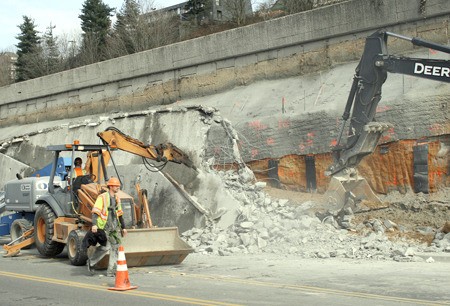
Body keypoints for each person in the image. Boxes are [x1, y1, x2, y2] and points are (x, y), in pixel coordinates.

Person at [83, 177, 127, 276]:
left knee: (116, 247)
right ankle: (91, 262)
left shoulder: (117, 198)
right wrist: (94, 225)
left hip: (113, 227)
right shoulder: (102, 197)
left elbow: (119, 214)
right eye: (116, 186)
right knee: (105, 247)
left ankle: (111, 271)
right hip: (103, 227)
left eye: (118, 186)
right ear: (110, 186)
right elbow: (95, 211)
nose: (118, 188)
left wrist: (123, 228)